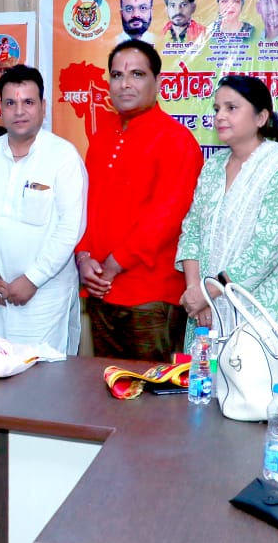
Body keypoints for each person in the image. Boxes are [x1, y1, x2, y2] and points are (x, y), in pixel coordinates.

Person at [74, 40, 202, 361]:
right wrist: (83, 257)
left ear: (157, 81)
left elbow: (168, 217)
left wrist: (114, 264)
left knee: (150, 387)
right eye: (117, 75)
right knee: (106, 384)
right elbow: (86, 204)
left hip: (151, 296)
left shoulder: (176, 139)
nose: (125, 84)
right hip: (102, 290)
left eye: (137, 74)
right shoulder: (102, 135)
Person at [0, 65, 87, 354]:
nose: (19, 111)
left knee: (39, 374)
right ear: (0, 109)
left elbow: (71, 228)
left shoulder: (63, 156)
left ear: (43, 107)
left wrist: (33, 279)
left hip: (43, 296)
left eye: (28, 102)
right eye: (10, 103)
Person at [176, 75, 278, 345]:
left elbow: (266, 250)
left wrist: (208, 291)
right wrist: (195, 292)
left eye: (231, 108)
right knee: (203, 372)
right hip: (205, 312)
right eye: (217, 109)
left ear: (261, 117)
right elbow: (191, 230)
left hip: (256, 311)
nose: (220, 116)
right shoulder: (213, 166)